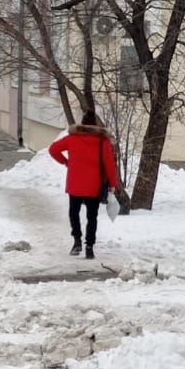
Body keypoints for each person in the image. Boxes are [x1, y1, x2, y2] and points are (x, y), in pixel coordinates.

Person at [48, 111, 121, 259]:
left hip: (75, 184)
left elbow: (53, 149)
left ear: (82, 124)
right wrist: (113, 183)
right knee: (92, 216)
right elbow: (109, 164)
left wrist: (66, 162)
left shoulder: (72, 138)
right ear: (95, 124)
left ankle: (76, 242)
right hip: (93, 185)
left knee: (73, 213)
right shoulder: (102, 141)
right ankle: (89, 246)